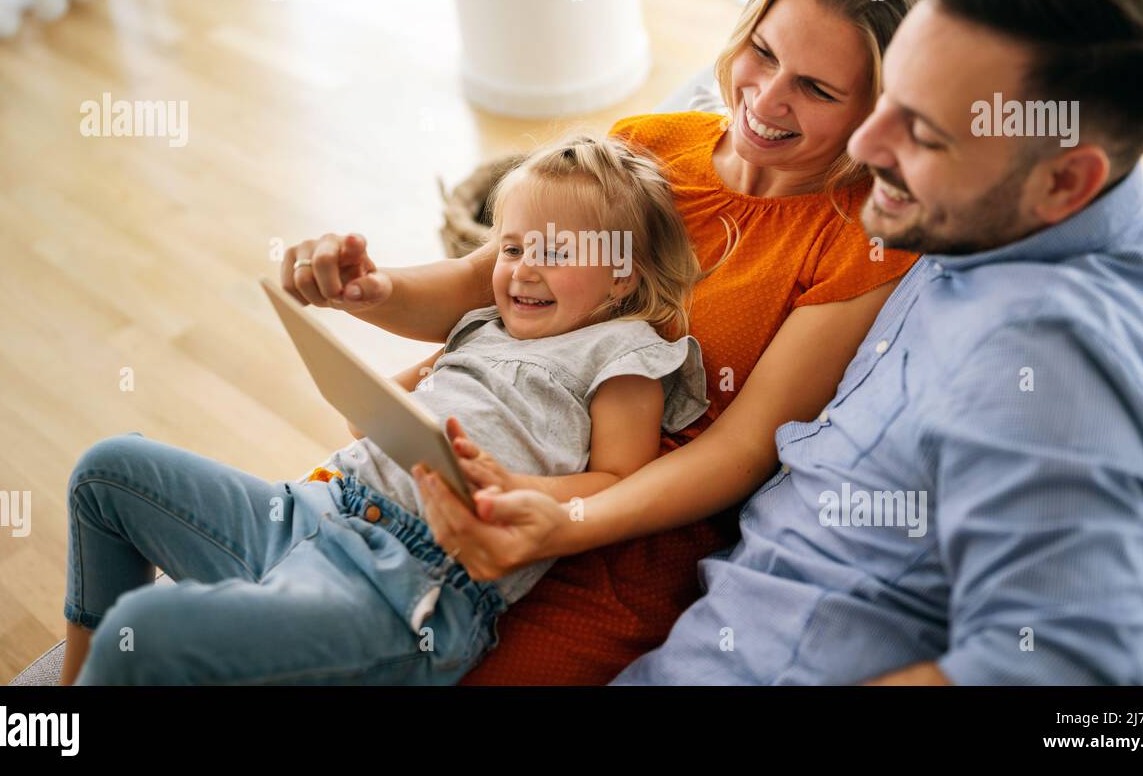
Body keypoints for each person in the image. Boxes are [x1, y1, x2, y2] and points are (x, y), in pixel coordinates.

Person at [475, 0, 1143, 685]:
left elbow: (1076, 678)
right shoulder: (1016, 190)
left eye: (922, 130)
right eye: (888, 96)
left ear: (1066, 183)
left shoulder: (1058, 363)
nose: (865, 147)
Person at [283, 0, 932, 683]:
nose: (767, 97)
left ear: (876, 112)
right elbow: (481, 282)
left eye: (817, 89)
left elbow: (741, 449)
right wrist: (369, 289)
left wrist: (564, 519)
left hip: (621, 534)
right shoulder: (649, 145)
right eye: (763, 51)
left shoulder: (859, 240)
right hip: (493, 441)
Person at [61, 133, 713, 684]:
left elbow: (617, 481)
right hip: (313, 512)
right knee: (105, 472)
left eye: (556, 253)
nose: (523, 271)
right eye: (512, 248)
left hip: (405, 584)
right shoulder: (483, 324)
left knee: (145, 631)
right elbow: (369, 420)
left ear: (622, 275)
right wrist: (392, 370)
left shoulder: (625, 348)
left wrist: (519, 487)